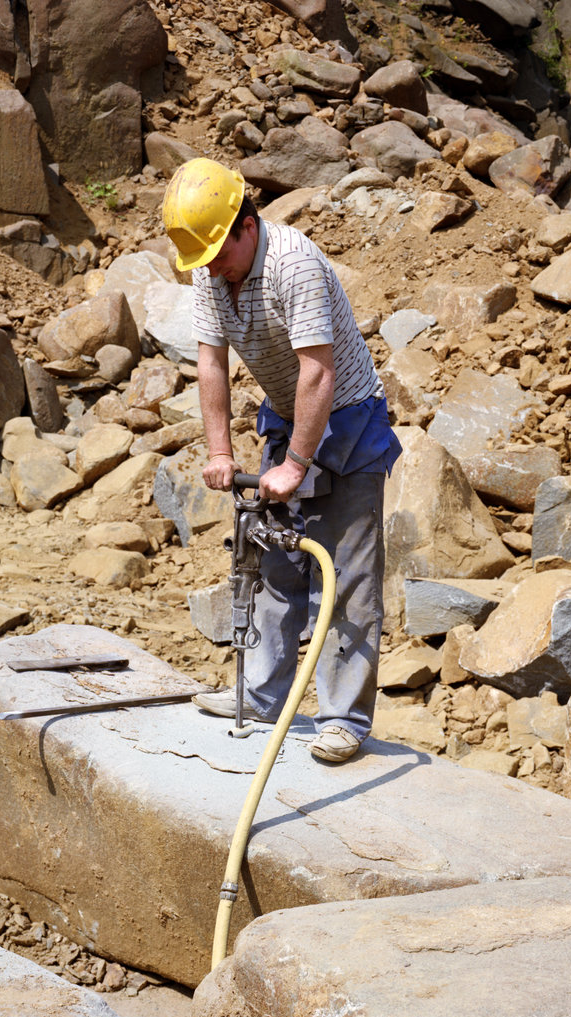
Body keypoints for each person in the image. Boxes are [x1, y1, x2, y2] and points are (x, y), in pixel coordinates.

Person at [162, 158, 401, 763]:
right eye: (203, 260)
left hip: (347, 417)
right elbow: (212, 365)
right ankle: (262, 695)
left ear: (247, 224)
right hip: (289, 413)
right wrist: (220, 451)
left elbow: (318, 373)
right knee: (275, 568)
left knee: (345, 578)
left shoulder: (292, 262)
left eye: (218, 253)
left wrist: (295, 464)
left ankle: (343, 718)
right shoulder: (211, 272)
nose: (211, 268)